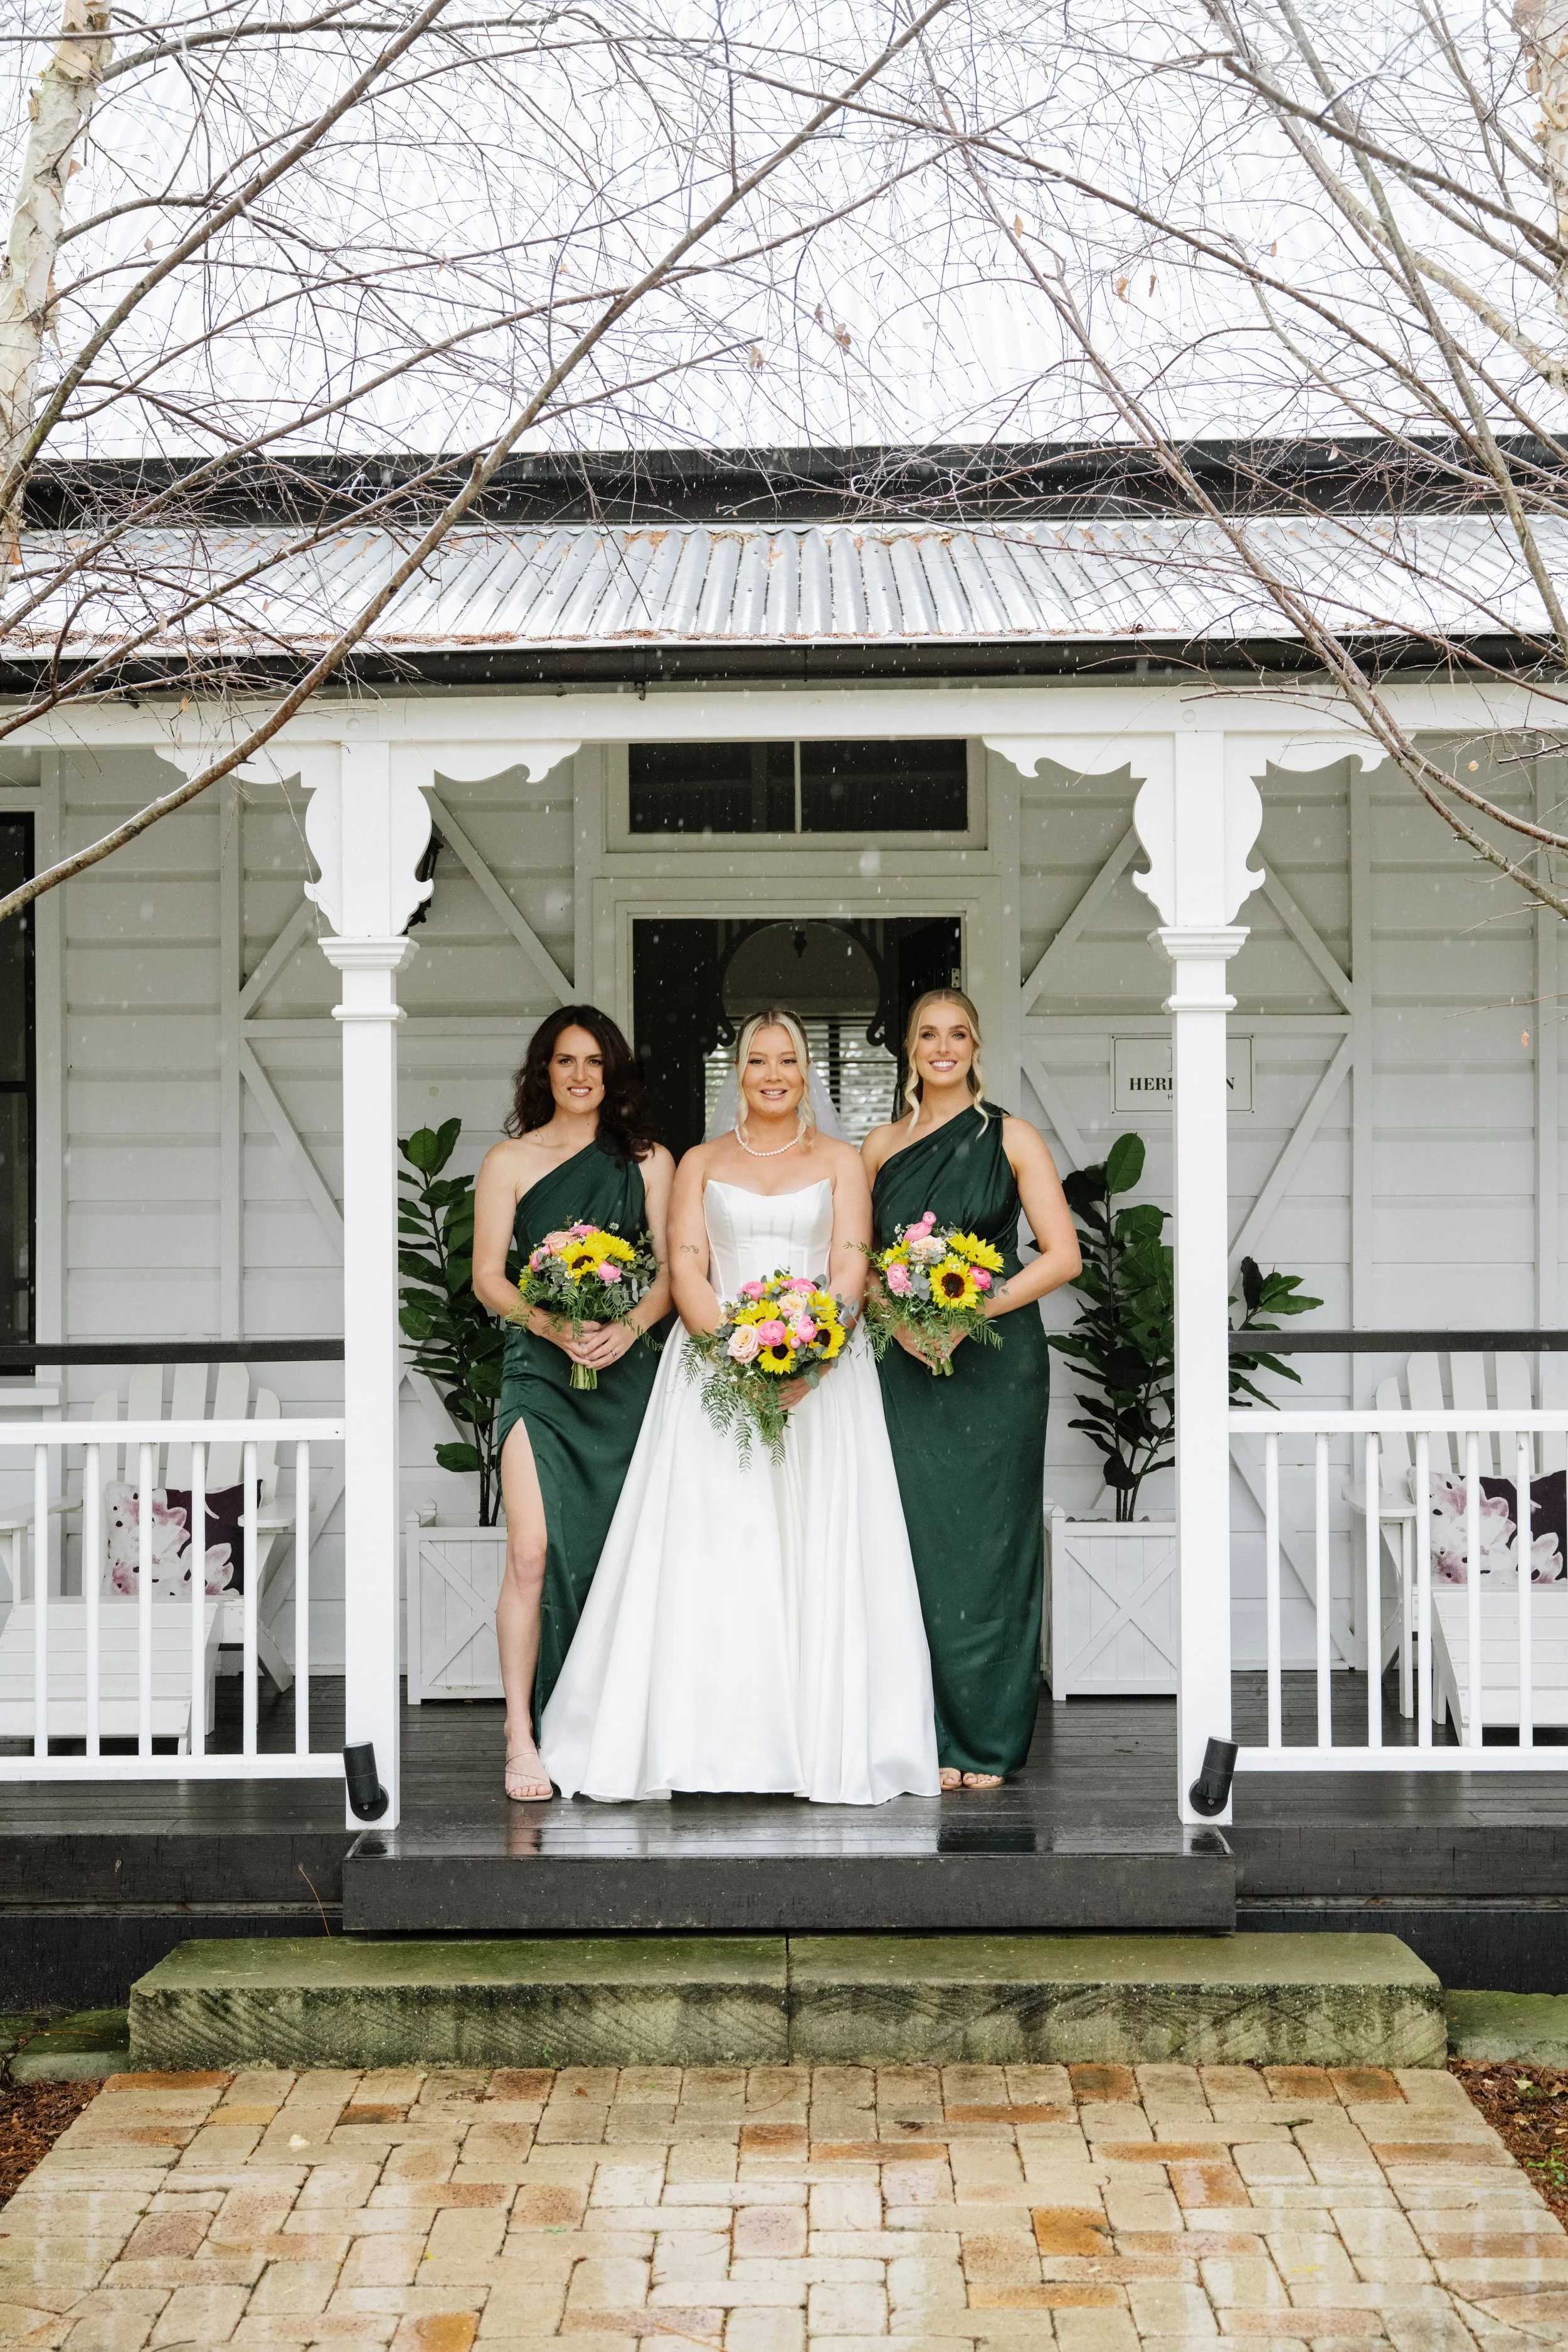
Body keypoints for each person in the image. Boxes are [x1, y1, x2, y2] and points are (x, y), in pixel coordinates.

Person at [538, 1009, 938, 1806]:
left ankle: (822, 1739)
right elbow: (686, 1264)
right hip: (714, 1370)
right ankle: (711, 1742)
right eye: (757, 1061)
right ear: (738, 1074)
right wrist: (740, 1354)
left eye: (787, 1059)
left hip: (824, 1380)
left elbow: (849, 1265)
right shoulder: (698, 1159)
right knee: (716, 1547)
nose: (773, 1074)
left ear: (805, 1073)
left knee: (820, 1549)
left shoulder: (841, 1160)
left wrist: (809, 1358)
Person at [862, 991, 1080, 1789]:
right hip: (903, 1364)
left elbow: (1061, 1256)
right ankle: (925, 1731)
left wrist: (969, 1311)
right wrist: (901, 1316)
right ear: (910, 1050)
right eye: (927, 1035)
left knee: (992, 1546)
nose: (942, 1048)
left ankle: (985, 1741)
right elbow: (856, 1261)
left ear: (976, 1047)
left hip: (995, 1363)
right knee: (917, 1543)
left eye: (957, 1035)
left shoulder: (1011, 1137)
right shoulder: (878, 1146)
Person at [473, 1007, 674, 1802]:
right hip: (539, 1374)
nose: (581, 1075)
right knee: (532, 1552)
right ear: (544, 1072)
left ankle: (605, 1722)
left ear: (612, 1071)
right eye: (565, 1061)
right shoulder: (509, 1161)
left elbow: (671, 1267)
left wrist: (628, 1327)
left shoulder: (651, 1161)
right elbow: (491, 1277)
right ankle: (520, 1731)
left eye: (594, 1061)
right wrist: (550, 1323)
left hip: (624, 1375)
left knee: (615, 1558)